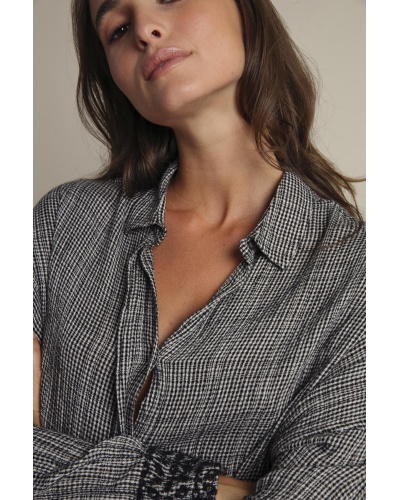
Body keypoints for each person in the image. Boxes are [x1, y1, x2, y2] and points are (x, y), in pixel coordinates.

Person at [33, 0, 365, 498]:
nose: (145, 30)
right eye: (117, 29)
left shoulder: (361, 278)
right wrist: (192, 487)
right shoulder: (62, 223)